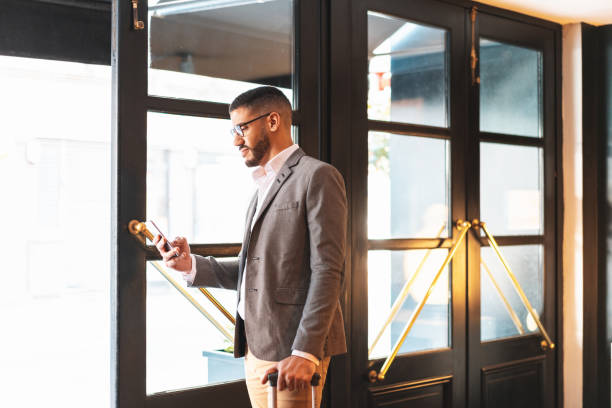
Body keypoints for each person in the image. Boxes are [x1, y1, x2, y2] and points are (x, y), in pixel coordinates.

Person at [153, 86, 347, 408]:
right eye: (233, 130)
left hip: (291, 350)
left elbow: (328, 271)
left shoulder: (318, 176)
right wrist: (191, 265)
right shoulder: (261, 189)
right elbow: (254, 270)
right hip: (255, 347)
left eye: (242, 128)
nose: (235, 140)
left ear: (272, 121)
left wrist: (306, 352)